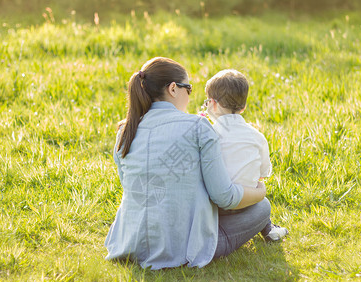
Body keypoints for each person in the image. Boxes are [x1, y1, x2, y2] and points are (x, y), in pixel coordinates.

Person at [105, 57, 272, 270]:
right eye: (189, 89)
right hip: (184, 249)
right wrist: (260, 192)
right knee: (262, 208)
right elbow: (225, 196)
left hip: (129, 242)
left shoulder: (124, 131)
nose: (190, 96)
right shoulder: (198, 127)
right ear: (173, 89)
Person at [204, 69, 288, 242]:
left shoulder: (209, 134)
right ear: (243, 107)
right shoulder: (257, 136)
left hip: (214, 205)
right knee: (257, 185)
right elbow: (264, 172)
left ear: (212, 104)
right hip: (246, 203)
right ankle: (269, 228)